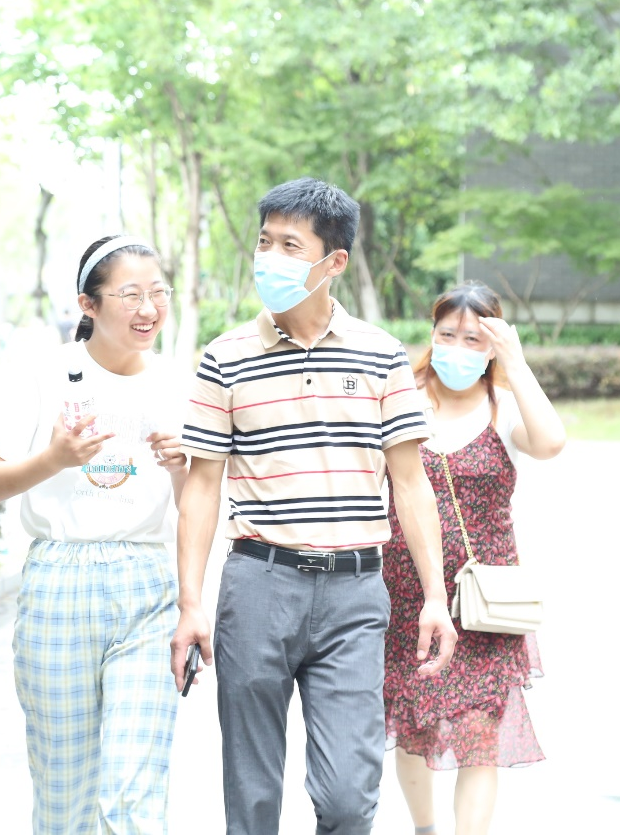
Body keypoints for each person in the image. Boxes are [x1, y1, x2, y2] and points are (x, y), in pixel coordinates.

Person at [170, 177, 459, 835]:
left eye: (289, 246)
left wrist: (435, 597)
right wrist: (191, 604)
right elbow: (202, 488)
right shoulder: (225, 358)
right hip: (257, 585)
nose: (269, 257)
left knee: (348, 800)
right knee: (252, 797)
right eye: (264, 242)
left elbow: (410, 483)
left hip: (354, 595)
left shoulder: (382, 355)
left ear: (334, 262)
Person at [0, 235, 190, 835]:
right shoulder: (42, 375)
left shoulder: (178, 383)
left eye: (158, 292)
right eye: (130, 295)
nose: (148, 308)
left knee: (133, 797)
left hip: (148, 585)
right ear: (88, 305)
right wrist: (55, 459)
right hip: (59, 581)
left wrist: (181, 470)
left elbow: (195, 504)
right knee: (64, 796)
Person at [382, 282, 566, 835]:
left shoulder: (502, 409)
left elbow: (551, 442)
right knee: (412, 724)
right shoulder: (404, 398)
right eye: (447, 335)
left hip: (484, 601)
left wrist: (516, 361)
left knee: (480, 734)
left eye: (473, 339)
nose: (457, 348)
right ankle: (425, 828)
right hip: (407, 592)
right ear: (431, 335)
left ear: (492, 348)